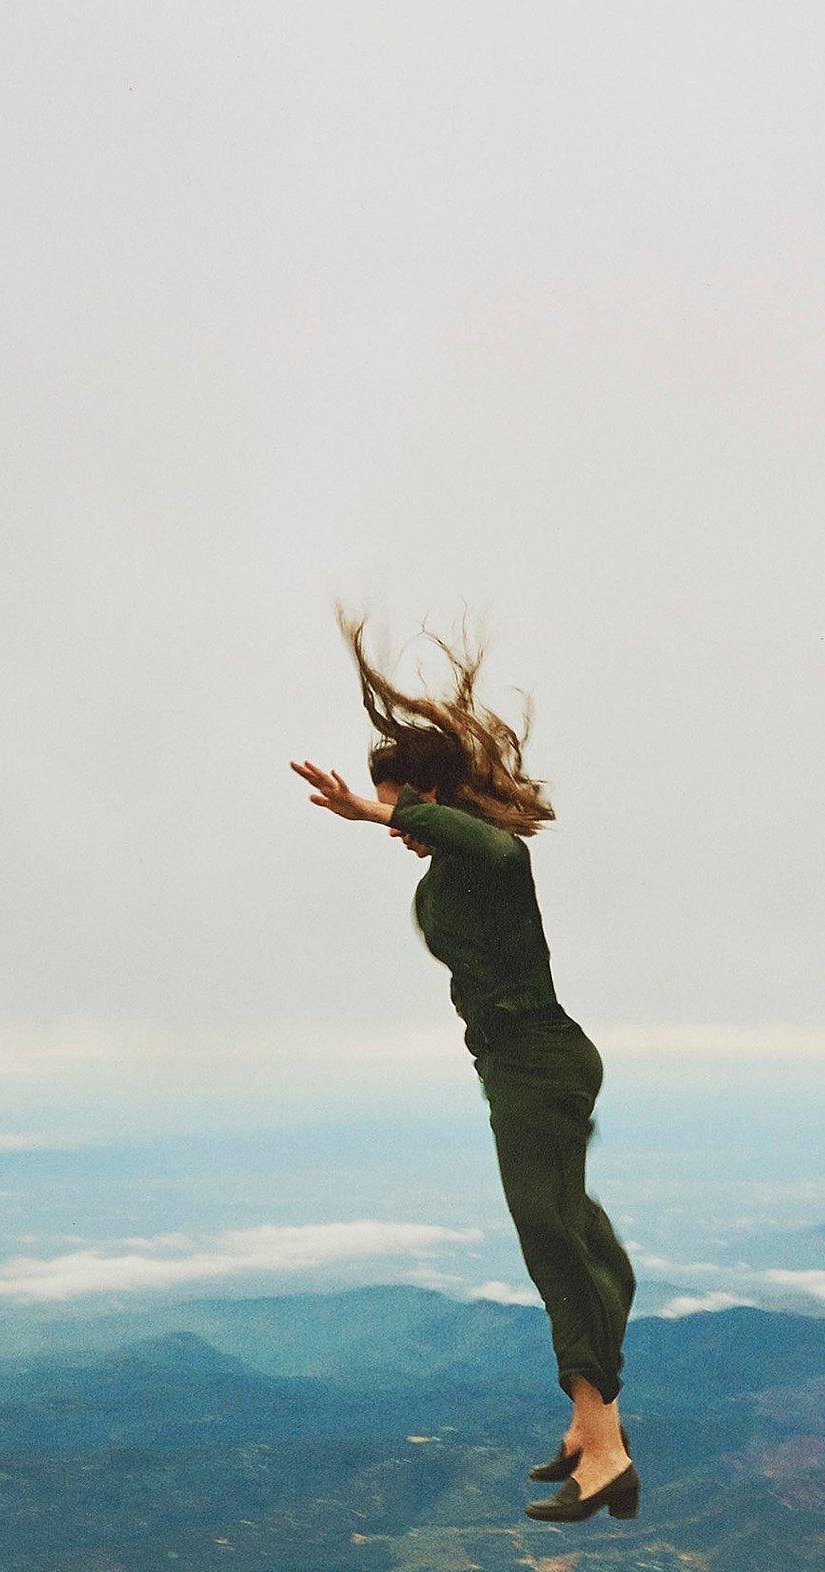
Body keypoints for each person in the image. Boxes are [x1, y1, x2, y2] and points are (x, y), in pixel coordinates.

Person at [290, 608, 640, 1524]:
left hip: (543, 1059)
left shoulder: (493, 860)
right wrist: (401, 818)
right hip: (515, 1069)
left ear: (432, 797)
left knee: (550, 1234)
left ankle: (604, 1448)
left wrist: (385, 811)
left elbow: (489, 842)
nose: (401, 827)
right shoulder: (437, 882)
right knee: (573, 1231)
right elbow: (451, 852)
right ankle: (590, 1424)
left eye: (410, 806)